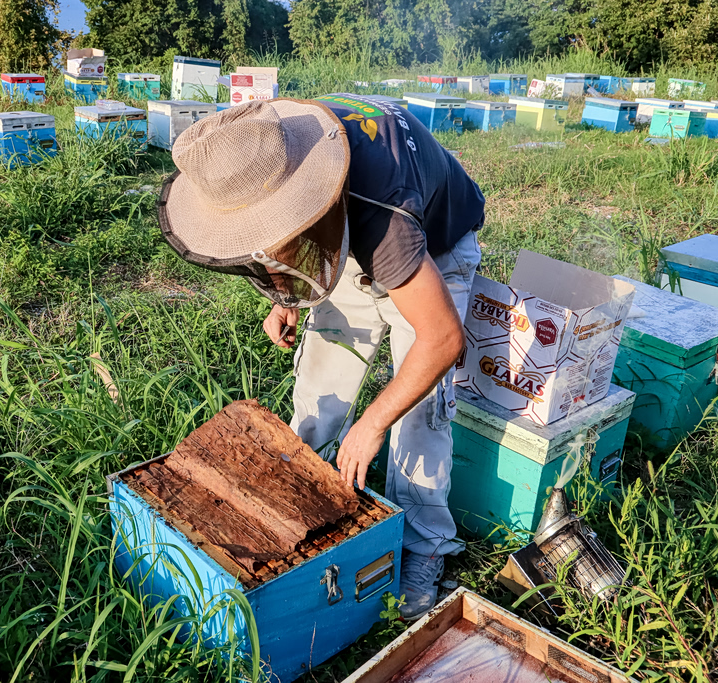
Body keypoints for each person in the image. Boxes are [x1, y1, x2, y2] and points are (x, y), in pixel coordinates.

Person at [157, 94, 485, 620]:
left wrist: (374, 422)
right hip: (353, 230)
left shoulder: (384, 213)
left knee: (418, 417)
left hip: (434, 253)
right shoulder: (267, 146)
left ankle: (426, 547)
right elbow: (276, 239)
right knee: (318, 387)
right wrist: (285, 296)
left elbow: (443, 340)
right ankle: (295, 503)